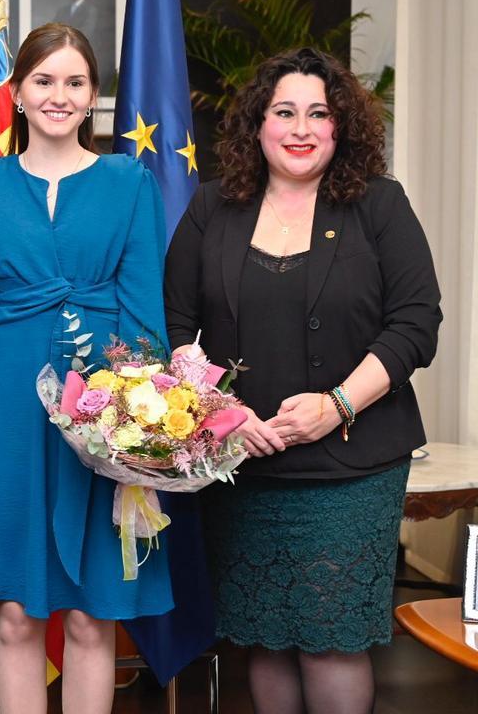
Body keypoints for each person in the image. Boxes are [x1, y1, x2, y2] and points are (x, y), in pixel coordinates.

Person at [164, 47, 441, 714]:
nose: (300, 128)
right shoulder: (211, 210)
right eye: (284, 111)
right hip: (246, 467)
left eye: (318, 113)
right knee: (266, 638)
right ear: (257, 124)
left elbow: (416, 323)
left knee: (328, 641)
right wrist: (221, 413)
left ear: (340, 126)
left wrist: (337, 404)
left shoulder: (379, 204)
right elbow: (172, 330)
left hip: (352, 468)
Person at [0, 23, 173, 714]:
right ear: (15, 93)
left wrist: (141, 438)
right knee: (13, 615)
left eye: (74, 82)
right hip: (1, 420)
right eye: (43, 81)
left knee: (94, 616)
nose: (58, 96)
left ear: (94, 95)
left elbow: (145, 323)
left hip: (102, 419)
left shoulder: (130, 183)